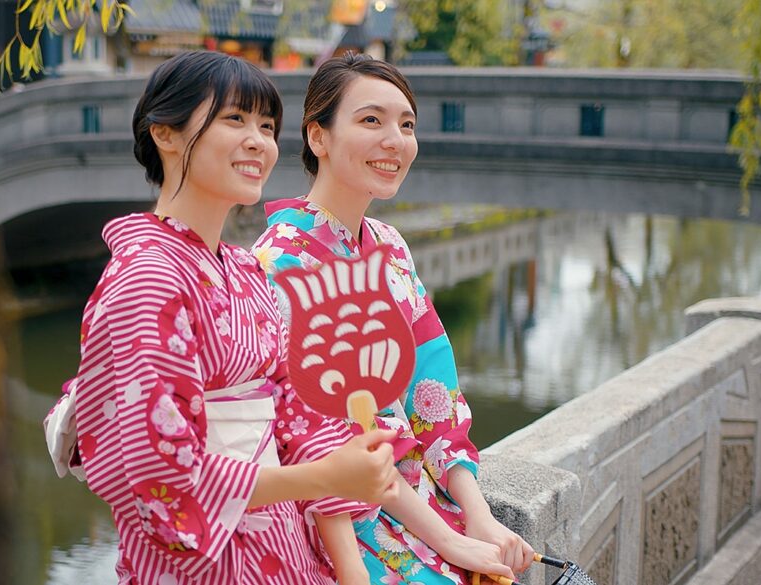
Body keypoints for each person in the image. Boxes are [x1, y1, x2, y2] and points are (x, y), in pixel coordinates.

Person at [47, 50, 404, 585]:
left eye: (266, 125)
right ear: (165, 132)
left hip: (279, 540)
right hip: (201, 561)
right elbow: (163, 469)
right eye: (234, 120)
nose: (258, 141)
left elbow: (292, 408)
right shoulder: (146, 280)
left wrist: (341, 468)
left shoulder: (244, 270)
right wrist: (321, 476)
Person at [252, 53, 535, 584]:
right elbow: (335, 437)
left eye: (407, 125)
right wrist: (452, 541)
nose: (396, 141)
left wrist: (478, 515)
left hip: (417, 498)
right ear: (318, 136)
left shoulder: (390, 245)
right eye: (371, 120)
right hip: (343, 514)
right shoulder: (283, 264)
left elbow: (433, 390)